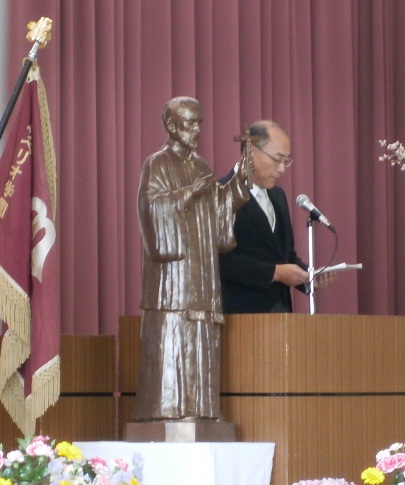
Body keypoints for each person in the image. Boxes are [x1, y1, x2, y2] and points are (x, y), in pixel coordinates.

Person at [134, 96, 250, 421]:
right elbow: (150, 208)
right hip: (173, 277)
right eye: (190, 123)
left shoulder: (201, 166)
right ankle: (168, 411)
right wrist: (188, 193)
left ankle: (201, 411)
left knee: (201, 338)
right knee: (173, 337)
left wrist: (237, 184)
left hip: (201, 272)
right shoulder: (157, 163)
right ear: (172, 126)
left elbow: (216, 210)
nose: (197, 129)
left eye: (199, 123)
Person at [219, 120, 334, 313]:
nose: (282, 169)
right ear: (250, 152)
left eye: (286, 161)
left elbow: (285, 256)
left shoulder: (277, 196)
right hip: (240, 316)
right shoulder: (221, 193)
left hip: (281, 315)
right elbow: (221, 261)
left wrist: (310, 277)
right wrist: (275, 273)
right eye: (277, 159)